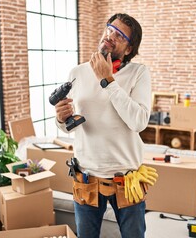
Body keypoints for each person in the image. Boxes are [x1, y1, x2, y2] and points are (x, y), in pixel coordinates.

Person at [55, 13, 156, 238]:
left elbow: (139, 121)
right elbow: (68, 125)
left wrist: (107, 80)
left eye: (119, 36)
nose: (110, 36)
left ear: (129, 49)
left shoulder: (138, 73)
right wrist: (61, 119)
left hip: (127, 179)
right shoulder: (77, 73)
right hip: (86, 178)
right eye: (110, 29)